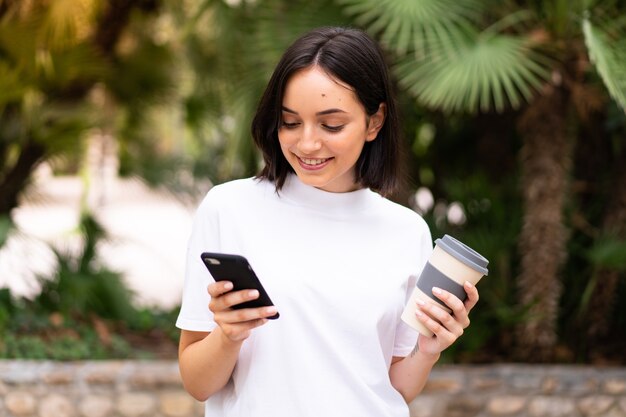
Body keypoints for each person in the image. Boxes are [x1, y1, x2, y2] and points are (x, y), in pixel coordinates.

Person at [176, 26, 479, 417]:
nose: (307, 143)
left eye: (331, 125)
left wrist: (428, 350)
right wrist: (229, 336)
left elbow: (396, 388)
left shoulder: (407, 232)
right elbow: (197, 384)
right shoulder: (229, 208)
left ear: (375, 122)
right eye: (289, 122)